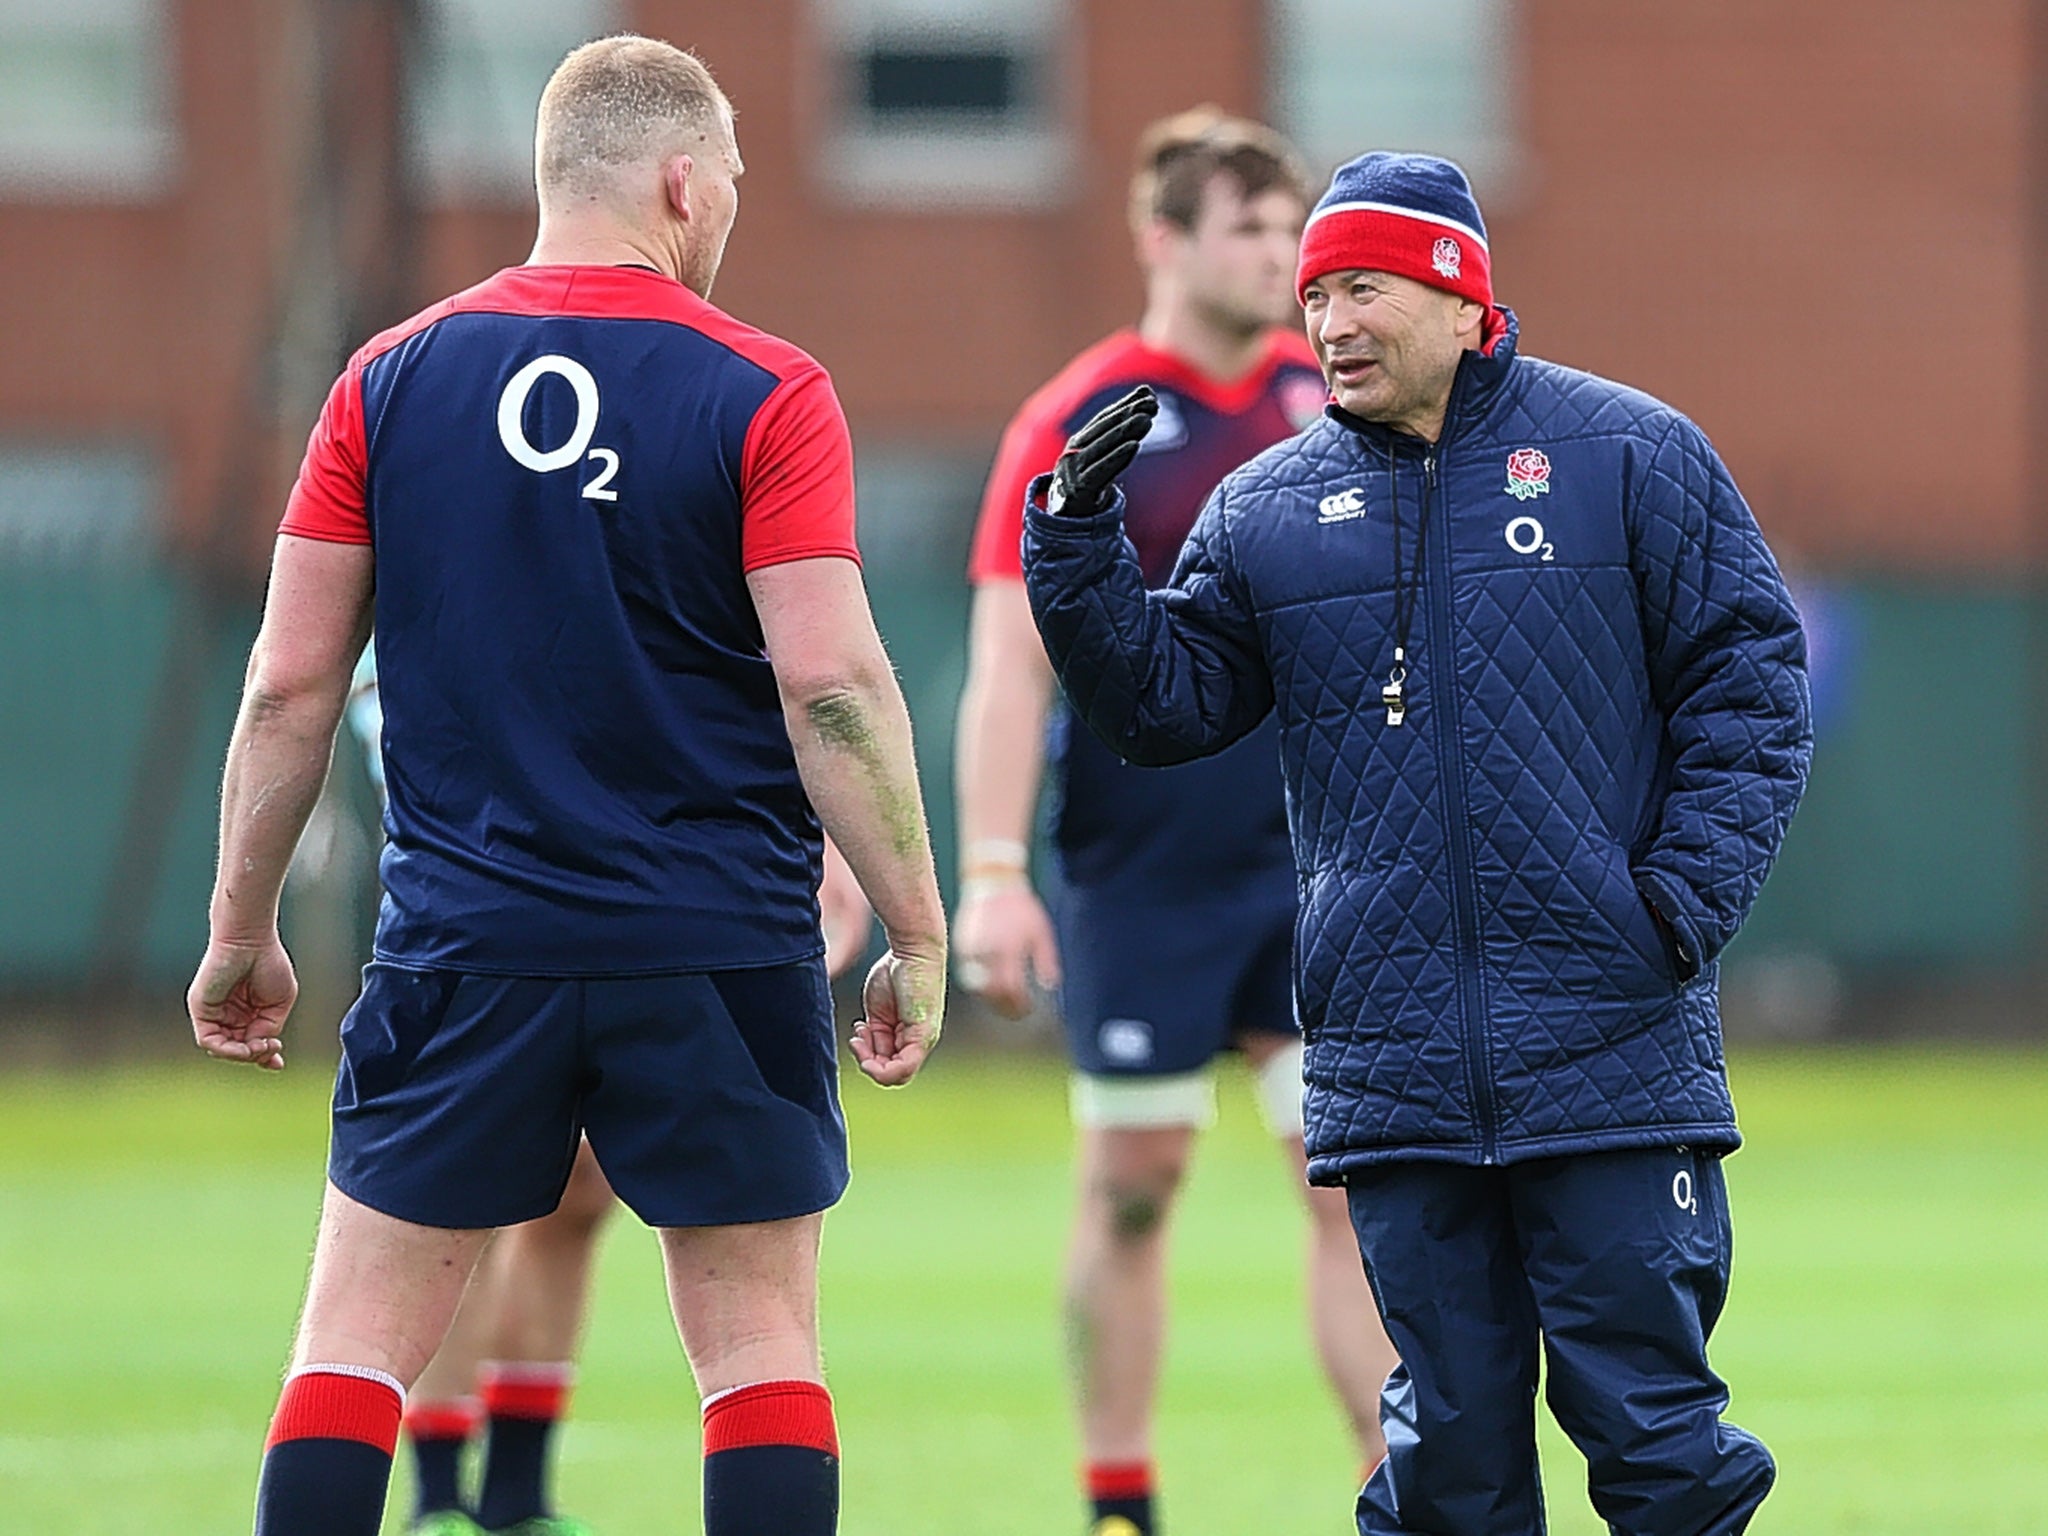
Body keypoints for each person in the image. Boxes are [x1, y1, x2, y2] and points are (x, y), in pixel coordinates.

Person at [185, 35, 945, 1536]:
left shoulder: (385, 382)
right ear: (678, 176)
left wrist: (238, 930)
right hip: (715, 944)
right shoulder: (766, 388)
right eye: (728, 178)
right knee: (755, 1348)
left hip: (468, 947)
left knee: (353, 1347)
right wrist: (919, 930)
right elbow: (835, 687)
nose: (729, 209)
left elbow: (285, 686)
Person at [1020, 151, 1810, 1536]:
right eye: (1315, 295)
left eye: (1363, 289)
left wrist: (1675, 906)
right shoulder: (1266, 509)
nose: (1327, 324)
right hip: (1393, 1067)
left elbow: (1751, 683)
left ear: (1460, 297)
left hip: (1612, 1047)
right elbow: (1163, 706)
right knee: (1446, 1462)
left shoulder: (1633, 454)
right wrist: (1077, 549)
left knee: (1661, 1447)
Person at [954, 108, 1395, 1536]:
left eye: (1293, 231)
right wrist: (993, 872)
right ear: (1166, 239)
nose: (1283, 258)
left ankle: (1399, 1495)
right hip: (1139, 871)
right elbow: (1011, 667)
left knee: (1346, 1187)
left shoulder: (1329, 410)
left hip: (1315, 865)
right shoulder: (1079, 420)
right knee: (1135, 1183)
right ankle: (1118, 1504)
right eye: (1253, 230)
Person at [345, 653, 873, 1536]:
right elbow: (359, 676)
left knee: (578, 1194)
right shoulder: (442, 517)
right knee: (451, 1202)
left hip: (642, 881)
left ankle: (517, 1493)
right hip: (490, 876)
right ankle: (439, 1495)